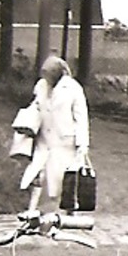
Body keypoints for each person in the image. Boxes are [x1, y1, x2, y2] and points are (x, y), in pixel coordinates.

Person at [19, 54, 91, 216]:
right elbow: (35, 105)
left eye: (48, 73)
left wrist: (82, 144)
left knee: (65, 179)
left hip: (64, 142)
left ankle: (70, 212)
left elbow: (81, 117)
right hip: (44, 138)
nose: (45, 76)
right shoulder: (41, 86)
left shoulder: (73, 88)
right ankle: (32, 210)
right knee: (38, 174)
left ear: (57, 73)